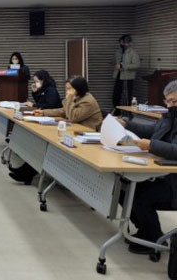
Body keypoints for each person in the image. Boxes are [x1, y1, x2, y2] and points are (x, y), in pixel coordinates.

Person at [116, 80, 177, 254]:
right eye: (167, 101)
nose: (170, 105)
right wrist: (127, 124)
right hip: (163, 173)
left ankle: (153, 239)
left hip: (174, 181)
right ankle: (146, 230)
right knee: (123, 189)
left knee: (139, 195)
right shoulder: (169, 117)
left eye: (174, 101)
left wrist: (151, 145)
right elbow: (150, 131)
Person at [10, 70, 62, 183]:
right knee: (38, 149)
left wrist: (33, 105)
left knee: (41, 150)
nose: (35, 83)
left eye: (36, 81)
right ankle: (23, 172)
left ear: (43, 80)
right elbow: (41, 102)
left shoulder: (51, 90)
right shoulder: (44, 89)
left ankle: (25, 174)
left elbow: (48, 106)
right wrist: (35, 93)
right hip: (46, 121)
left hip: (53, 123)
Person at [35, 76, 103, 131]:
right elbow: (64, 111)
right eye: (66, 89)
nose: (67, 91)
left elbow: (72, 117)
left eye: (69, 89)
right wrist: (44, 112)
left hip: (88, 131)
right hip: (76, 128)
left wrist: (69, 98)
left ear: (78, 88)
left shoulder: (87, 101)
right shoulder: (78, 96)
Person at [112, 34, 140, 115]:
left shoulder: (133, 53)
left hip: (127, 78)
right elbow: (114, 60)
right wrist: (114, 63)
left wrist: (123, 66)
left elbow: (137, 65)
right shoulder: (118, 51)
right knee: (116, 95)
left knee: (127, 96)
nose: (121, 44)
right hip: (118, 76)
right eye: (120, 42)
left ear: (127, 43)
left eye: (122, 42)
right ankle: (117, 112)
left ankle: (129, 114)